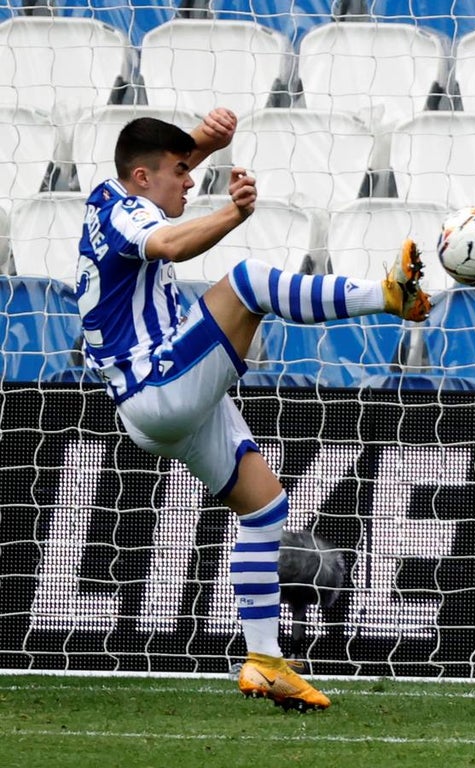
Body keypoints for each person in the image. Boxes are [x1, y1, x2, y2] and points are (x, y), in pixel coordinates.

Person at [75, 110, 431, 711]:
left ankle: (265, 661)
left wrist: (202, 144)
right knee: (244, 282)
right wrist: (233, 213)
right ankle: (384, 294)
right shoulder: (124, 207)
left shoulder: (117, 195)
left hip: (158, 406)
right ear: (141, 176)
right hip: (157, 382)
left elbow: (162, 186)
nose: (190, 181)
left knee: (265, 509)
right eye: (181, 172)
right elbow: (169, 243)